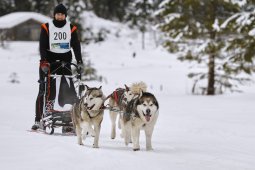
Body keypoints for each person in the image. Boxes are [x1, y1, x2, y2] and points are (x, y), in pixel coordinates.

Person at [31, 3, 83, 130]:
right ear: (54, 15)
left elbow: (76, 45)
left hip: (65, 61)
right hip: (48, 61)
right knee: (45, 89)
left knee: (68, 89)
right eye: (58, 14)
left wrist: (79, 61)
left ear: (65, 15)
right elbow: (42, 45)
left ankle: (68, 119)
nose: (60, 16)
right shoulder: (47, 27)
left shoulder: (71, 28)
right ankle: (39, 119)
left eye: (62, 14)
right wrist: (43, 61)